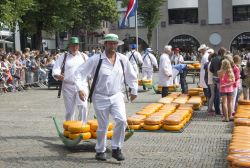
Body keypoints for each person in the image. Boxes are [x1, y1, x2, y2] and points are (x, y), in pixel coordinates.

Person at [75, 33, 138, 161]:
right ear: (105, 44)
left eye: (115, 43)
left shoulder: (122, 59)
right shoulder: (96, 59)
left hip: (116, 95)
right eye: (110, 43)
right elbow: (80, 73)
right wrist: (80, 89)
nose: (112, 45)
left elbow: (131, 74)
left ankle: (116, 148)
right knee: (103, 125)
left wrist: (134, 89)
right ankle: (100, 151)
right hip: (100, 96)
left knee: (121, 120)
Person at [52, 37, 89, 124]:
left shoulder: (84, 56)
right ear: (69, 46)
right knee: (70, 110)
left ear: (78, 46)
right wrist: (57, 75)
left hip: (82, 85)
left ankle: (82, 126)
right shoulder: (63, 56)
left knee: (83, 107)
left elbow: (90, 69)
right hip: (68, 85)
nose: (74, 47)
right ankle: (70, 128)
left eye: (76, 45)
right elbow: (56, 67)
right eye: (72, 46)